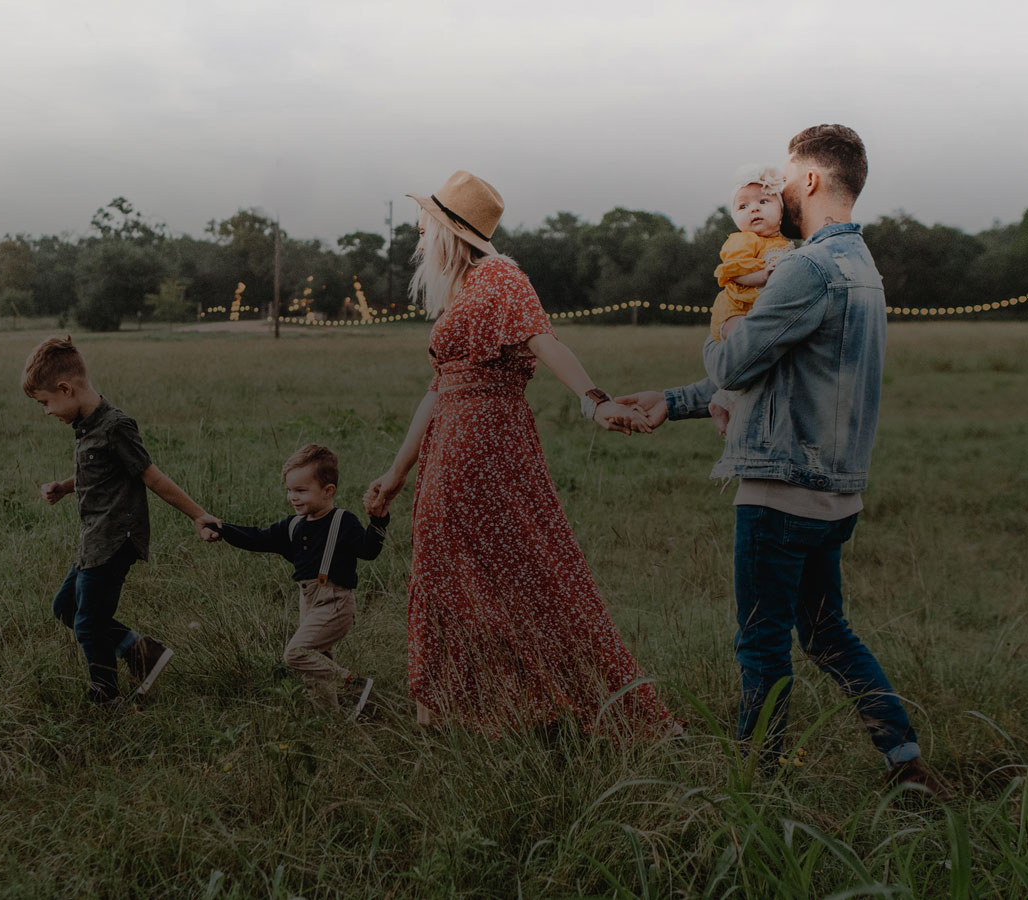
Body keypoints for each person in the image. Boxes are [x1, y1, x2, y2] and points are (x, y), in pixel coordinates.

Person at [619, 126, 944, 792]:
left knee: (762, 646)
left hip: (779, 493)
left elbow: (738, 360)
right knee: (828, 635)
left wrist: (724, 333)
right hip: (836, 495)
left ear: (814, 181)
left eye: (788, 178)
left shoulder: (805, 267)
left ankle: (755, 789)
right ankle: (904, 762)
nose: (781, 191)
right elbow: (779, 376)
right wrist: (674, 401)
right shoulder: (863, 269)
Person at [363, 170, 680, 737]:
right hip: (451, 444)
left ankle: (544, 706)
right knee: (447, 572)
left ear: (449, 230)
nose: (416, 235)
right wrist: (396, 472)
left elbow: (544, 340)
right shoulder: (464, 291)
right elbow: (438, 389)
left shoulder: (499, 276)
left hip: (484, 444)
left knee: (522, 572)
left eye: (423, 225)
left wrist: (594, 400)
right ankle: (454, 711)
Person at [23, 336, 222, 706]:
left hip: (115, 539)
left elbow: (151, 476)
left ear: (66, 389)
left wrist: (199, 515)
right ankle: (142, 653)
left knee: (88, 623)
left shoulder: (116, 425)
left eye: (45, 403)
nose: (47, 411)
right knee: (65, 608)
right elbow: (98, 473)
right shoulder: (85, 426)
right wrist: (65, 487)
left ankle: (106, 696)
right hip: (93, 539)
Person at [209, 444, 386, 717]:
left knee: (296, 654)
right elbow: (257, 538)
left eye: (301, 490)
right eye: (290, 490)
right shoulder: (293, 525)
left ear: (329, 491)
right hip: (309, 601)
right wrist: (222, 529)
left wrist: (378, 521)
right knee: (316, 665)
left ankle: (353, 684)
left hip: (336, 602)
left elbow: (369, 551)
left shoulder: (343, 521)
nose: (293, 497)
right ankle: (331, 721)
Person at [708, 165, 794, 433]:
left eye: (763, 202)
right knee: (743, 348)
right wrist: (761, 276)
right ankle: (728, 401)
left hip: (755, 311)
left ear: (781, 211)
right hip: (734, 309)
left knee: (760, 357)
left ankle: (722, 400)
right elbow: (734, 271)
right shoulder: (743, 240)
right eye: (743, 206)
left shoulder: (784, 244)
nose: (753, 209)